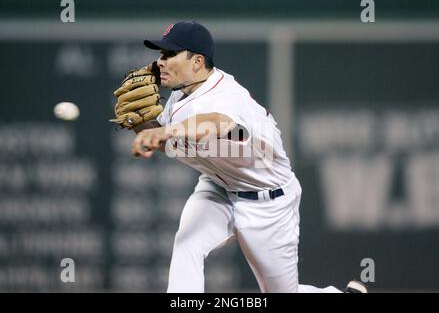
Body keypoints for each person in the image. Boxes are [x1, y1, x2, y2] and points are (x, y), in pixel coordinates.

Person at [129, 20, 366, 293]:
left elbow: (213, 123)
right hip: (218, 187)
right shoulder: (181, 94)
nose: (160, 61)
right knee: (187, 245)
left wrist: (166, 131)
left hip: (267, 200)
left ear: (197, 61)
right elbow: (174, 143)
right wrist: (142, 127)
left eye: (169, 54)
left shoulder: (225, 96)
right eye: (160, 54)